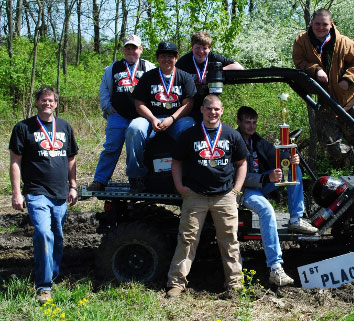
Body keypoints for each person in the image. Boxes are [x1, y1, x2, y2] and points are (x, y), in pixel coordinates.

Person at [166, 94, 248, 298]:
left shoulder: (231, 135)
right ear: (202, 110)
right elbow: (176, 161)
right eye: (209, 108)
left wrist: (236, 190)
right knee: (187, 239)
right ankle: (176, 283)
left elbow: (242, 164)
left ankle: (235, 284)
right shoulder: (189, 134)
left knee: (229, 240)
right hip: (195, 195)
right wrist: (179, 186)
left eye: (217, 109)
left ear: (222, 111)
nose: (213, 112)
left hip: (225, 196)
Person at [292, 8, 354, 190]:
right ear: (311, 24)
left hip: (351, 99)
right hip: (326, 100)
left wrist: (347, 79)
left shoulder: (344, 43)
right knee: (332, 146)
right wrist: (316, 69)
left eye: (325, 24)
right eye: (317, 24)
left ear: (331, 24)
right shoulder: (302, 42)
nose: (321, 28)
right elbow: (299, 61)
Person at [9, 86, 78, 304]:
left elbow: (71, 159)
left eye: (51, 100)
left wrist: (73, 185)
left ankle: (53, 275)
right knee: (43, 234)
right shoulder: (23, 128)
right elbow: (15, 161)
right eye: (43, 100)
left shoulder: (65, 127)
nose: (47, 103)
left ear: (56, 104)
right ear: (37, 102)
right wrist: (16, 192)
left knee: (57, 236)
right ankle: (43, 286)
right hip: (36, 192)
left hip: (60, 193)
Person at [236, 106, 318, 287]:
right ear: (239, 122)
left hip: (261, 183)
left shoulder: (257, 141)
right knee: (266, 210)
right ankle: (275, 267)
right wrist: (266, 177)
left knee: (292, 169)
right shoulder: (234, 141)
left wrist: (291, 158)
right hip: (244, 190)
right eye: (247, 122)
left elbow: (278, 156)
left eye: (254, 122)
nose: (251, 126)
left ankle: (296, 218)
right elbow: (237, 177)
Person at [126, 41, 197, 191]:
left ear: (176, 58)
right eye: (163, 56)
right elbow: (139, 103)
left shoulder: (184, 77)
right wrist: (152, 119)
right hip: (151, 118)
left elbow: (188, 104)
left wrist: (171, 119)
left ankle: (190, 175)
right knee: (134, 128)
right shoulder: (148, 76)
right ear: (157, 58)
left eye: (170, 56)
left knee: (191, 129)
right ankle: (136, 176)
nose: (167, 59)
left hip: (177, 119)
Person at [88, 35, 155, 191]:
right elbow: (104, 89)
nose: (131, 51)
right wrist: (108, 108)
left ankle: (136, 178)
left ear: (141, 50)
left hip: (141, 117)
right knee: (111, 148)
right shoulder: (113, 68)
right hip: (118, 115)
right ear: (124, 50)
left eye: (134, 48)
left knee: (140, 149)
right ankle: (100, 180)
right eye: (128, 48)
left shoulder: (149, 67)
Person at [176, 31, 244, 121]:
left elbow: (239, 67)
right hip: (189, 107)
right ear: (192, 47)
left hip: (210, 107)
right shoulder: (183, 62)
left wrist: (213, 73)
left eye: (204, 48)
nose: (201, 51)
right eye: (197, 48)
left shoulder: (213, 57)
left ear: (209, 49)